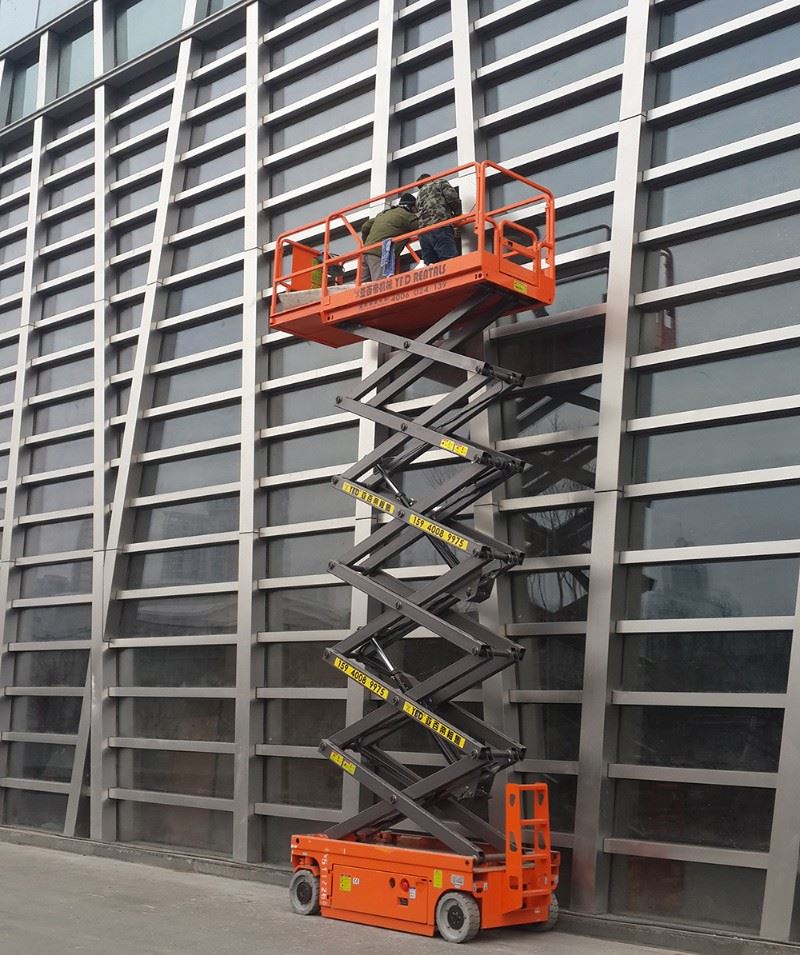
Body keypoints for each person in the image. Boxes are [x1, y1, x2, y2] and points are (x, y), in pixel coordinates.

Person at [360, 193, 418, 282]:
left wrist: (367, 243)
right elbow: (422, 226)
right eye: (415, 209)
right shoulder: (407, 215)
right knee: (381, 285)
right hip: (379, 254)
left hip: (365, 253)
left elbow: (365, 227)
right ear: (411, 207)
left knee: (363, 287)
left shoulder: (383, 213)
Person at [416, 173, 462, 264]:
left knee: (430, 265)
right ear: (431, 178)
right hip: (440, 225)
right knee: (448, 260)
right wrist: (458, 214)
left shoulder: (418, 195)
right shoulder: (439, 183)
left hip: (423, 233)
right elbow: (452, 198)